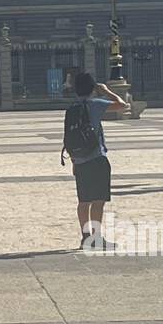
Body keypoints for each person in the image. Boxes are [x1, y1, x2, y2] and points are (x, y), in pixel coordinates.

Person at [61, 71, 129, 249]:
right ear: (92, 89)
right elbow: (122, 105)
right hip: (97, 158)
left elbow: (69, 137)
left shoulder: (72, 109)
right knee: (98, 201)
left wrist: (74, 161)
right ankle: (97, 238)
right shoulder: (95, 104)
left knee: (83, 202)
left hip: (80, 160)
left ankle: (85, 237)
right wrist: (106, 91)